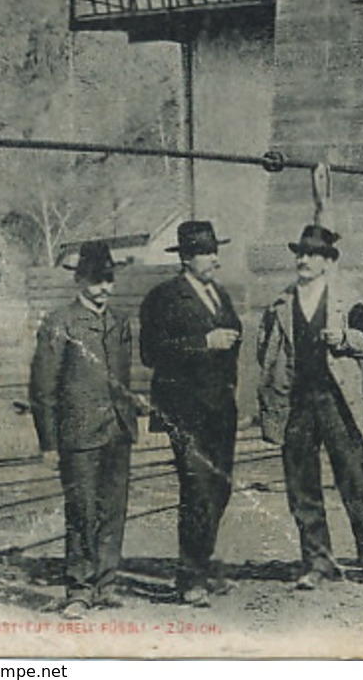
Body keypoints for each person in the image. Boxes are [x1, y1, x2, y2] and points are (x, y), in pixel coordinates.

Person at [257, 225, 363, 590]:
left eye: (312, 254)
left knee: (356, 482)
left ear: (327, 261)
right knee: (302, 486)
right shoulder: (279, 305)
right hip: (297, 404)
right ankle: (317, 562)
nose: (303, 260)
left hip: (337, 403)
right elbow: (264, 350)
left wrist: (344, 339)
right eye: (300, 253)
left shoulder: (348, 300)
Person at [30, 241, 144, 619]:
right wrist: (49, 442)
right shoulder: (59, 322)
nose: (103, 288)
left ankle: (105, 584)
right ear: (80, 280)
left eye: (108, 279)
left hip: (117, 430)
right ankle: (79, 590)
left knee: (113, 510)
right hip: (77, 435)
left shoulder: (120, 322)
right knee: (81, 511)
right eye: (95, 280)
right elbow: (43, 388)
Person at [139, 220, 242, 606]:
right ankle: (189, 578)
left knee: (221, 487)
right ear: (185, 258)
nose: (213, 258)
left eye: (215, 250)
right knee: (196, 489)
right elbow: (152, 353)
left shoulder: (221, 295)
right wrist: (204, 342)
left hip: (221, 410)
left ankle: (203, 561)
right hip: (184, 410)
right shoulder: (163, 297)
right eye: (204, 252)